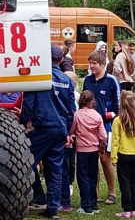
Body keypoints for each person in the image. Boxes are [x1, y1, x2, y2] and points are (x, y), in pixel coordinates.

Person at [20, 45, 75, 219]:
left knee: (25, 164)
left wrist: (21, 125)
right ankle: (53, 209)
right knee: (55, 169)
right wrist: (66, 131)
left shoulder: (38, 77)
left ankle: (21, 201)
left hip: (42, 127)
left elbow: (28, 104)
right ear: (60, 60)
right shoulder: (67, 81)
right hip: (59, 129)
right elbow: (71, 109)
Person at [83, 50, 121, 206]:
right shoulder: (87, 80)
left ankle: (112, 192)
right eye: (90, 63)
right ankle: (95, 192)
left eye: (94, 64)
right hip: (89, 125)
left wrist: (108, 116)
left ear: (102, 64)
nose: (91, 66)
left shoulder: (111, 80)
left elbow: (118, 105)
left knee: (105, 159)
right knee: (91, 159)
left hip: (106, 125)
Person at [69, 90, 107, 215]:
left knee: (83, 177)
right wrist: (101, 148)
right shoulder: (97, 115)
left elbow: (72, 130)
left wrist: (71, 136)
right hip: (94, 150)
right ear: (92, 102)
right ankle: (94, 202)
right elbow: (103, 136)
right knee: (92, 177)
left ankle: (86, 205)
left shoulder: (77, 115)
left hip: (81, 150)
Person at [111, 90, 135, 219]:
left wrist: (113, 157)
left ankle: (127, 210)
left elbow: (115, 140)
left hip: (122, 154)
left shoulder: (118, 121)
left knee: (124, 183)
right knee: (134, 183)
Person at [62, 70, 80, 212]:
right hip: (65, 134)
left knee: (70, 161)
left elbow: (74, 115)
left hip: (71, 135)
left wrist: (72, 133)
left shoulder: (76, 97)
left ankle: (69, 185)